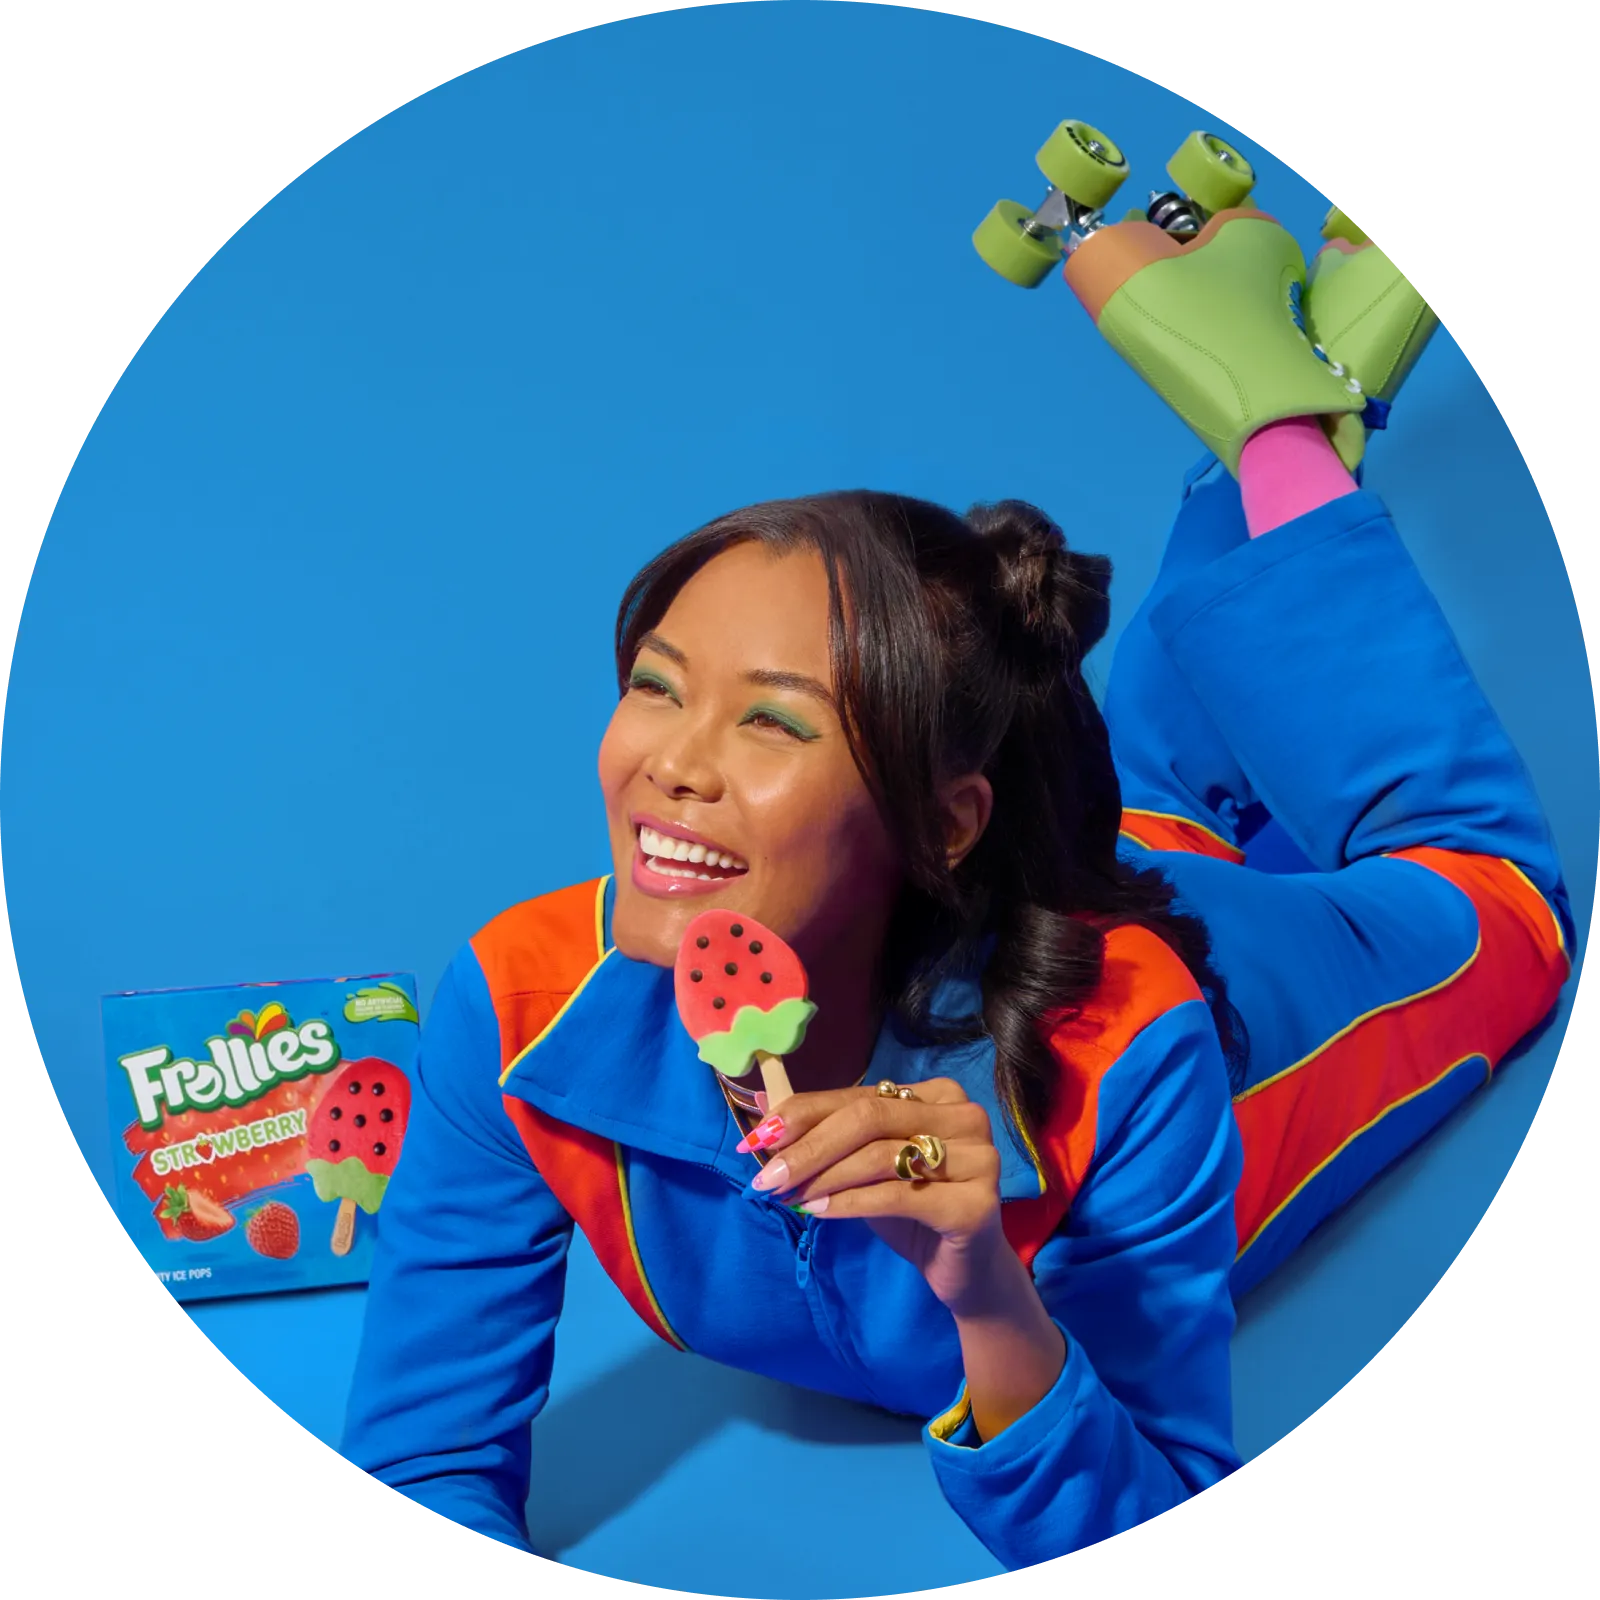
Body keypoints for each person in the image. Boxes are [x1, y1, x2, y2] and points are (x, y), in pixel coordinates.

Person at [339, 203, 1574, 1571]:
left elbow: (1159, 1494)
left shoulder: (1133, 1048)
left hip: (1203, 960)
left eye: (772, 722)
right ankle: (1276, 406)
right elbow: (423, 1455)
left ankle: (1279, 430)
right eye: (655, 688)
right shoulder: (518, 1004)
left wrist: (986, 1289)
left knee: (1498, 900)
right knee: (1155, 798)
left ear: (942, 821)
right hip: (1027, 847)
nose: (668, 768)